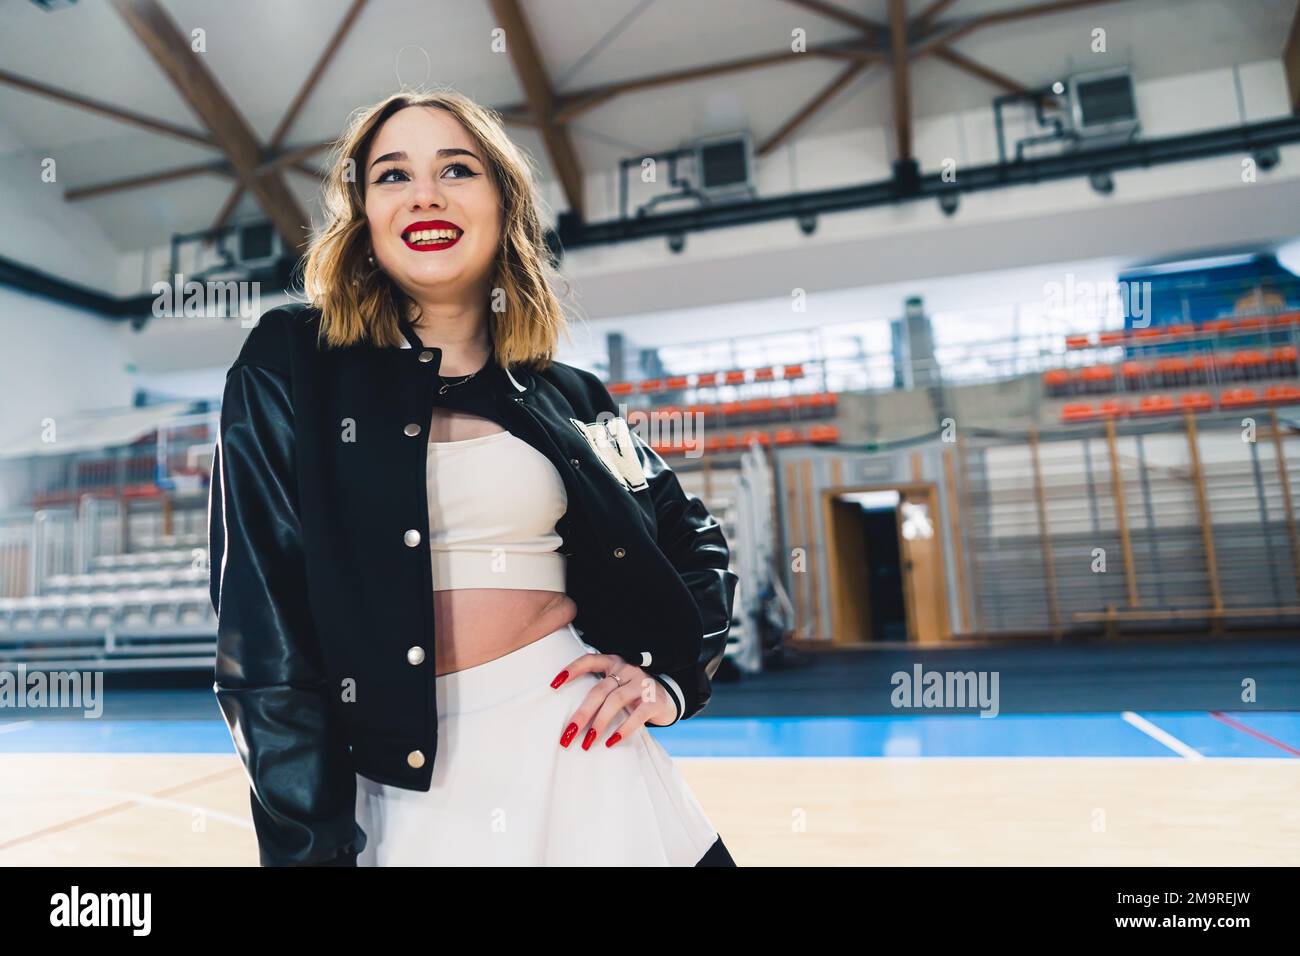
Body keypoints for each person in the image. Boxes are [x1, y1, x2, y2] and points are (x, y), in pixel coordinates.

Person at [208, 89, 739, 866]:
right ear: (363, 215)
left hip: (587, 755)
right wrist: (308, 849)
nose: (425, 192)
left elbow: (690, 542)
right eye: (391, 175)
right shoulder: (290, 362)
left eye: (456, 168)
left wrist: (670, 683)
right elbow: (263, 643)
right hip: (403, 796)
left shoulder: (571, 395)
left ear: (502, 202)